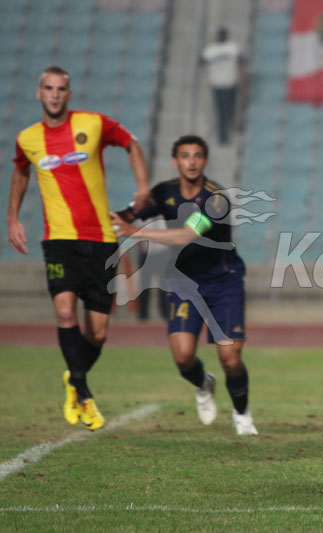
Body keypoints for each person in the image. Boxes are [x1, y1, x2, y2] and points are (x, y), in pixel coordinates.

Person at [6, 65, 150, 431]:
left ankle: (73, 378)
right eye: (48, 88)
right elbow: (21, 171)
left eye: (61, 89)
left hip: (102, 239)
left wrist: (143, 188)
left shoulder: (93, 124)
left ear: (69, 94)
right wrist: (13, 218)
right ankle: (84, 394)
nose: (54, 94)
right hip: (59, 241)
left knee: (98, 333)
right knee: (65, 312)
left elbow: (131, 143)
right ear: (39, 93)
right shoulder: (28, 139)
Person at [110, 135, 257, 436]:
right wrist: (114, 216)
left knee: (230, 358)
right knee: (182, 356)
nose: (191, 161)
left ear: (205, 160)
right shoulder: (163, 192)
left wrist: (133, 231)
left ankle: (242, 414)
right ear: (175, 161)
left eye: (197, 156)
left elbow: (186, 236)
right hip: (183, 281)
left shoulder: (216, 199)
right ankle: (204, 384)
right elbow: (123, 217)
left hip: (223, 282)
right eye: (185, 156)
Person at [201, 27, 244, 145]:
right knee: (220, 112)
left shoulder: (233, 48)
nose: (222, 37)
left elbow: (240, 63)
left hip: (231, 83)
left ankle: (231, 125)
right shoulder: (210, 50)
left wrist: (244, 81)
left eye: (223, 35)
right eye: (220, 35)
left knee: (230, 110)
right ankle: (223, 137)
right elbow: (202, 61)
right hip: (217, 84)